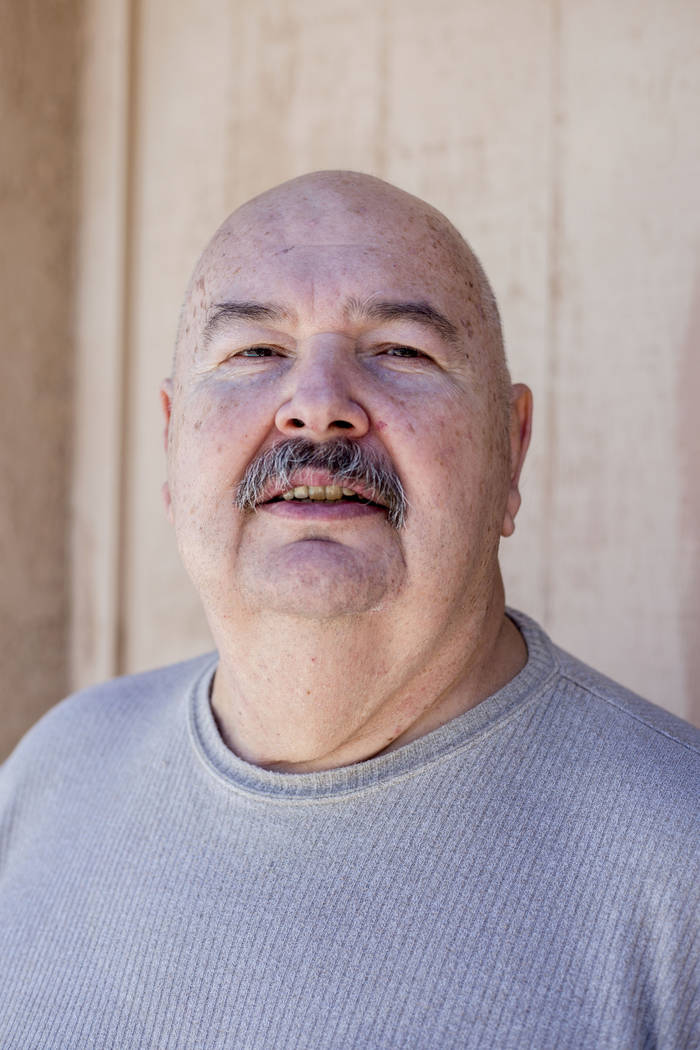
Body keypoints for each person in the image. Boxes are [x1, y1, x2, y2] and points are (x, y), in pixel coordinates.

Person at [0, 171, 697, 1050]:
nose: (318, 405)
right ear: (174, 442)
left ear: (510, 454)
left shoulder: (681, 859)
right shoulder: (52, 774)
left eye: (401, 350)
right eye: (254, 352)